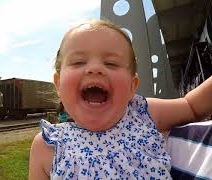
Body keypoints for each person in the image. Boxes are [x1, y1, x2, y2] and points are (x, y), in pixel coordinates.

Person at [28, 19, 212, 179]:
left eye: (111, 63)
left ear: (132, 86)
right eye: (78, 62)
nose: (94, 68)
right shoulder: (47, 146)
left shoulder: (142, 114)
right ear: (58, 83)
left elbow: (191, 107)